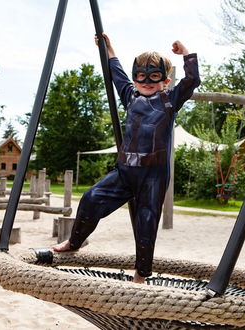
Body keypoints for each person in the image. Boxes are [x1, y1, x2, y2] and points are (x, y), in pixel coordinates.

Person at [53, 33, 200, 284]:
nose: (147, 82)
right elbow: (116, 74)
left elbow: (192, 79)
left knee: (146, 223)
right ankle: (74, 241)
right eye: (141, 76)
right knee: (90, 198)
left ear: (165, 80)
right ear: (136, 78)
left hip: (153, 175)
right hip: (125, 171)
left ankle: (141, 273)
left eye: (154, 77)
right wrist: (110, 50)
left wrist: (186, 53)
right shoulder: (130, 97)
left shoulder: (169, 100)